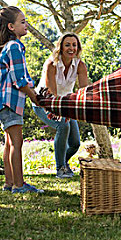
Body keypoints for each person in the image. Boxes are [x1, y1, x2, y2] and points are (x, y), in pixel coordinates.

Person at [0, 6, 44, 194]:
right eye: (22, 21)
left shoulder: (8, 47)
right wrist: (35, 98)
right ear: (11, 27)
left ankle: (9, 183)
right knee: (16, 142)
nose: (26, 24)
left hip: (2, 100)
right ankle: (19, 186)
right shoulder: (14, 47)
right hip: (9, 100)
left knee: (10, 142)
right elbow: (19, 80)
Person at [33, 33, 89, 178]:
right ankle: (60, 168)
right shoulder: (51, 64)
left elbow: (84, 91)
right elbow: (52, 92)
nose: (72, 48)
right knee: (63, 126)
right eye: (67, 45)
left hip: (65, 105)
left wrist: (80, 108)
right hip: (44, 103)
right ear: (61, 48)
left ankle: (64, 162)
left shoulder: (80, 65)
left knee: (75, 143)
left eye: (74, 45)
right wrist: (62, 113)